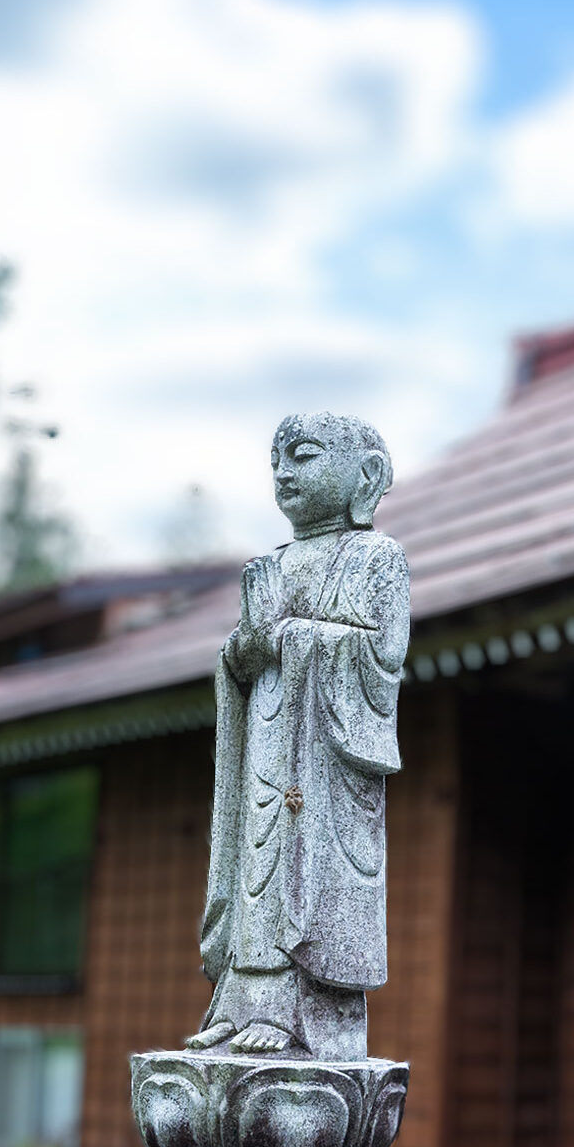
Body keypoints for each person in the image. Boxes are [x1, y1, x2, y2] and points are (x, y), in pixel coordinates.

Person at [185, 412, 409, 1061]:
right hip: (265, 745)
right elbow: (241, 661)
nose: (284, 473)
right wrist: (245, 651)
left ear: (365, 475)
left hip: (325, 767)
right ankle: (240, 1001)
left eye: (302, 456)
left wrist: (286, 636)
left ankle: (296, 1010)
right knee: (257, 863)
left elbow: (383, 657)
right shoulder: (270, 565)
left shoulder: (377, 557)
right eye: (276, 461)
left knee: (302, 871)